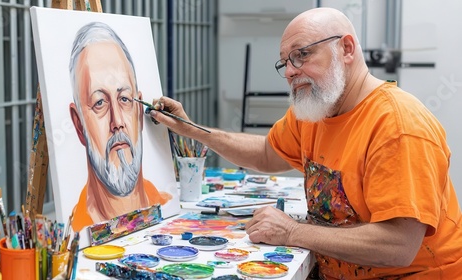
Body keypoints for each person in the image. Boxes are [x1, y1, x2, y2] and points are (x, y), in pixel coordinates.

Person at [149, 7, 462, 279]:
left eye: (302, 55)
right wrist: (190, 129)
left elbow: (398, 246)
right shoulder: (316, 110)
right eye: (284, 62)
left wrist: (292, 232)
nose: (289, 72)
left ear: (347, 48)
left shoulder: (397, 125)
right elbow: (265, 154)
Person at [68, 22, 172, 232]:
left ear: (140, 114)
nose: (117, 122)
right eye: (99, 103)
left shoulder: (166, 206)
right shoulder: (74, 232)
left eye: (125, 99)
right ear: (79, 125)